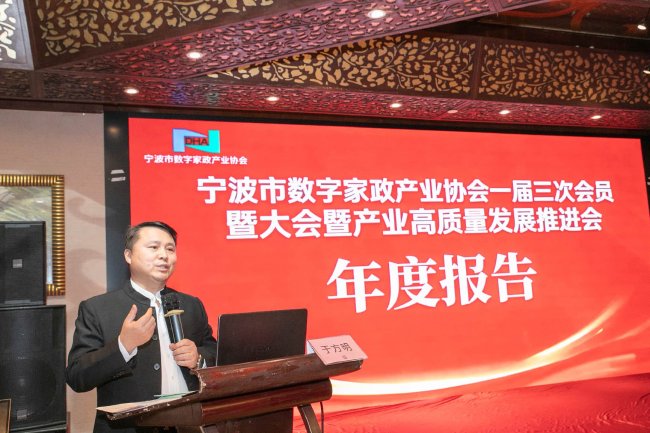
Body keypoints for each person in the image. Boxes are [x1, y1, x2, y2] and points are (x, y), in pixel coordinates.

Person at [66, 221, 218, 433]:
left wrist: (199, 358)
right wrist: (123, 346)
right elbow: (77, 377)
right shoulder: (97, 308)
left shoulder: (192, 304)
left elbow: (216, 354)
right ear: (128, 255)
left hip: (189, 426)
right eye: (154, 247)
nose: (164, 255)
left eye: (170, 249)